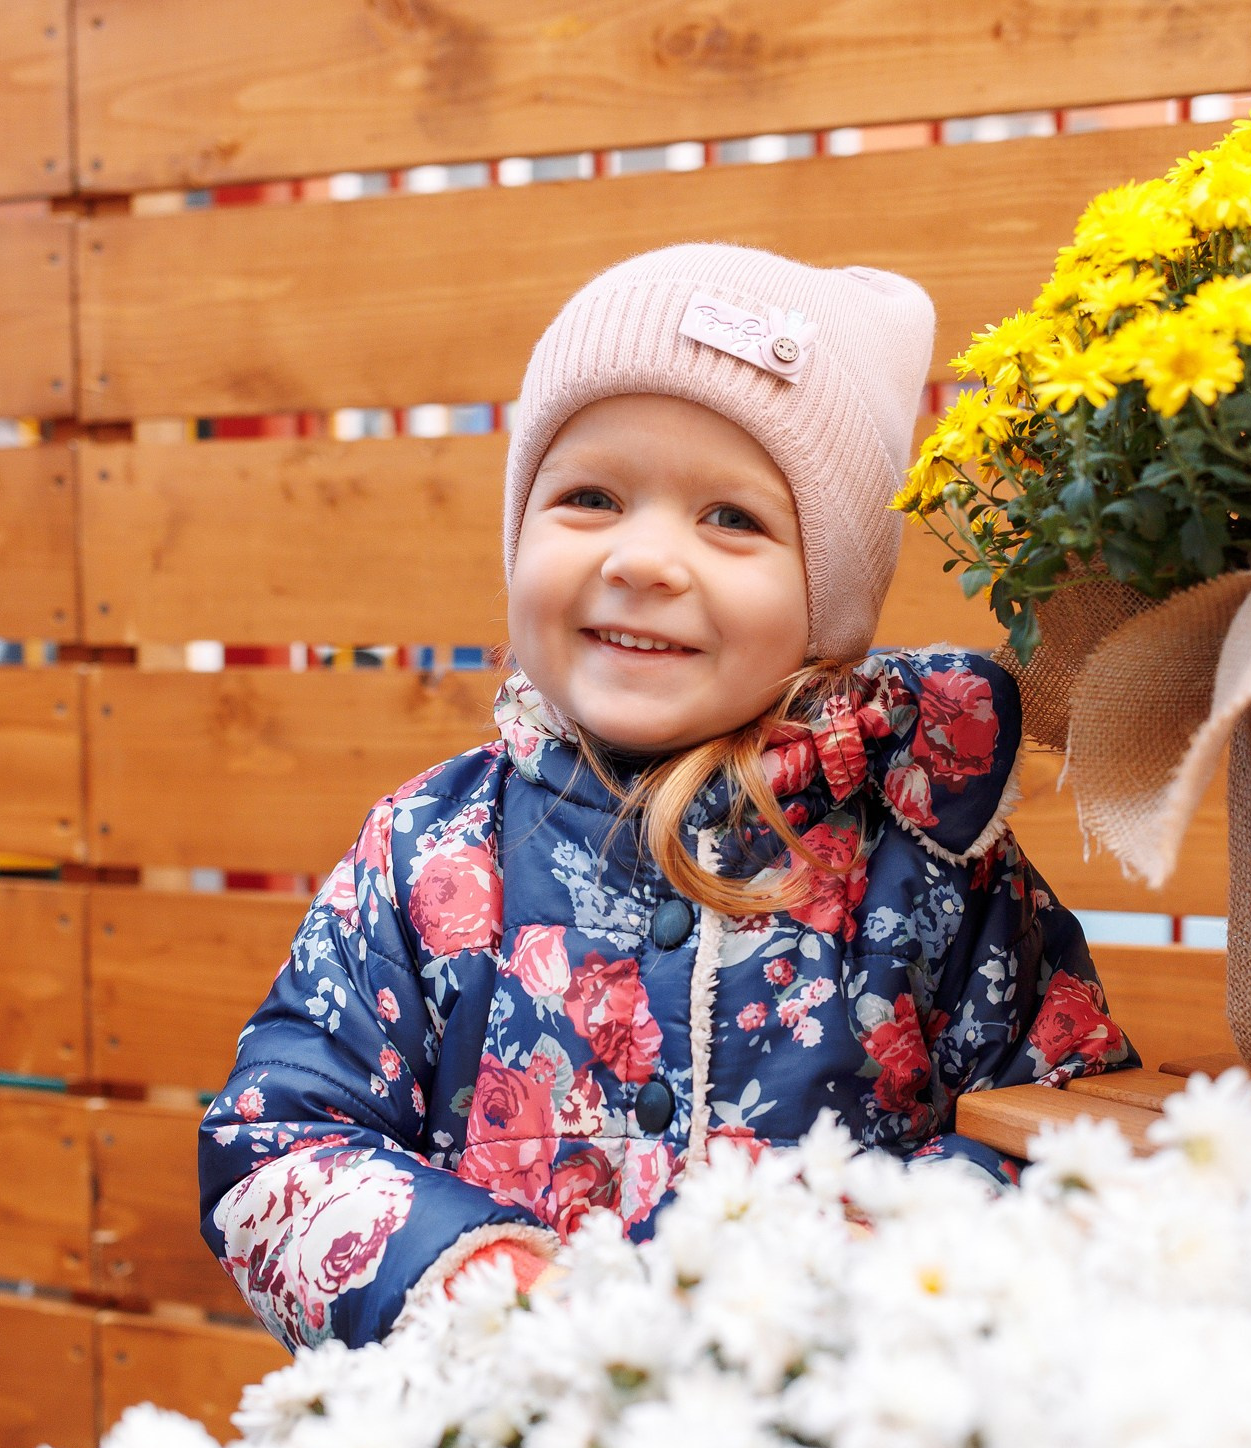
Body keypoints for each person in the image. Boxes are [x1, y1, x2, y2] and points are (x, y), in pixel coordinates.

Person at [199, 243, 1139, 1351]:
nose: (645, 558)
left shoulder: (922, 865)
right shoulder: (432, 852)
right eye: (589, 496)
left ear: (827, 601)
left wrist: (851, 1299)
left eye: (732, 519)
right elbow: (276, 1139)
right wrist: (498, 1301)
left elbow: (1065, 1133)